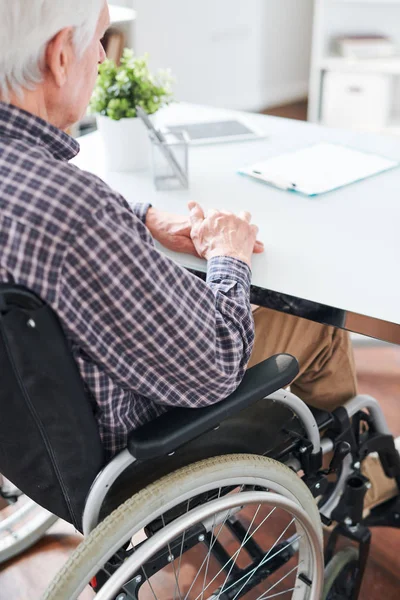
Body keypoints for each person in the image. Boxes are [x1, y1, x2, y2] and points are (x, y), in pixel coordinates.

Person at [0, 0, 395, 509]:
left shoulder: (40, 188)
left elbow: (61, 205)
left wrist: (142, 217)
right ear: (58, 57)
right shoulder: (75, 215)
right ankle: (367, 487)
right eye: (98, 39)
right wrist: (230, 254)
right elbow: (215, 361)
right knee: (314, 322)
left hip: (36, 439)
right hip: (141, 444)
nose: (101, 56)